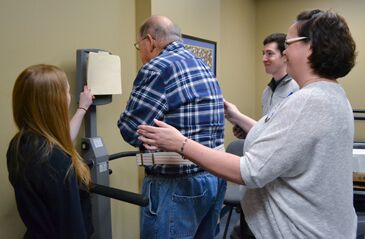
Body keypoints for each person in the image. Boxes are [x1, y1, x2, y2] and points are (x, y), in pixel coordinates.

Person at [138, 9, 357, 238]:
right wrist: (236, 115)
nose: (285, 50)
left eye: (289, 43)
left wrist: (181, 144)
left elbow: (249, 171)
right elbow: (287, 141)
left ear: (309, 48)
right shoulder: (333, 95)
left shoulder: (307, 102)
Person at [117, 15, 226, 238]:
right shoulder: (202, 64)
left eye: (139, 46)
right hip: (213, 178)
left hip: (176, 185)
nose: (140, 53)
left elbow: (130, 128)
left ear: (150, 41)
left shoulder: (158, 66)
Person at [7, 64, 94, 239]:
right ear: (54, 102)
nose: (69, 97)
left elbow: (59, 140)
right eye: (67, 92)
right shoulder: (56, 162)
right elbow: (71, 228)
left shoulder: (19, 145)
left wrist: (82, 109)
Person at [232, 33, 299, 139]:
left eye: (269, 54)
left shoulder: (297, 88)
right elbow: (266, 128)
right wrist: (248, 132)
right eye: (263, 53)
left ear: (284, 56)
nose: (264, 58)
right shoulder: (267, 92)